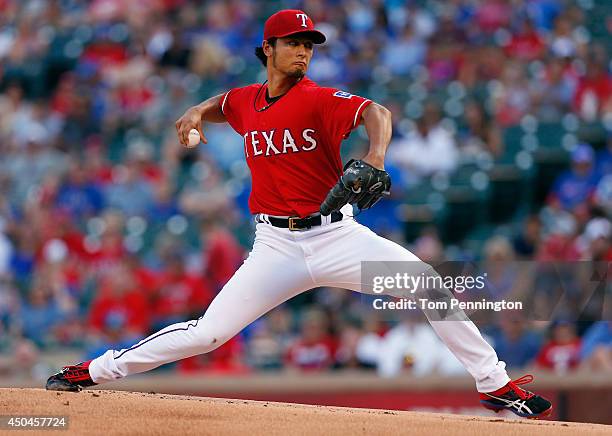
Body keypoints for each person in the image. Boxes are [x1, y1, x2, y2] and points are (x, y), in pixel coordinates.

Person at [46, 9, 552, 419]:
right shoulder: (248, 102)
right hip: (276, 247)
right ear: (267, 49)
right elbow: (225, 103)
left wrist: (375, 157)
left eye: (309, 43)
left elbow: (378, 113)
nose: (303, 50)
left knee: (430, 286)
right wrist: (196, 112)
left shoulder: (319, 99)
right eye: (293, 42)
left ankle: (496, 384)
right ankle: (94, 372)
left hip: (338, 237)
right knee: (208, 334)